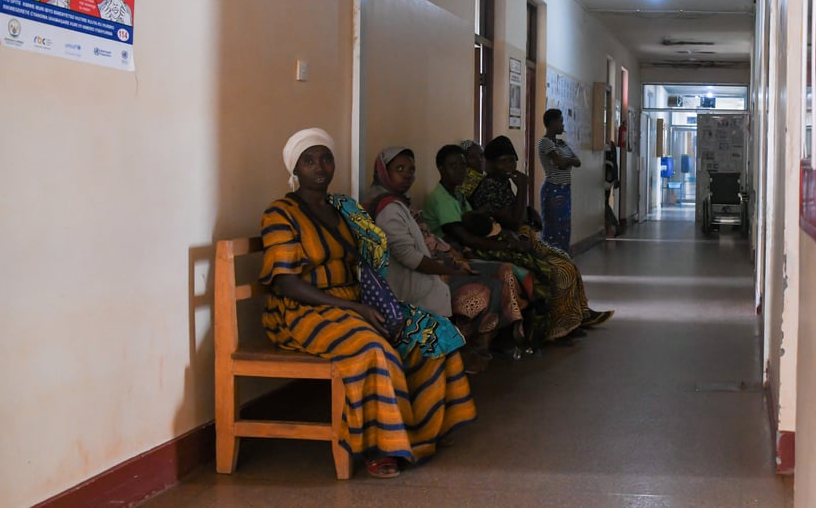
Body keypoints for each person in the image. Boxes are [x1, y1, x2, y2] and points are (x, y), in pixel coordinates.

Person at [259, 128, 476, 478]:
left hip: (353, 301)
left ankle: (423, 428)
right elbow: (285, 283)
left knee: (434, 332)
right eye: (309, 160)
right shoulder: (280, 214)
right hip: (302, 312)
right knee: (375, 349)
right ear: (295, 169)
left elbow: (373, 257)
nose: (320, 167)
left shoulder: (344, 208)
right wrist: (356, 309)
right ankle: (380, 446)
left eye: (326, 158)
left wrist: (368, 302)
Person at [365, 146, 528, 372]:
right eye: (399, 169)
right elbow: (411, 258)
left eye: (411, 170)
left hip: (433, 265)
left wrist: (453, 263)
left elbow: (427, 245)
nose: (407, 175)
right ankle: (471, 347)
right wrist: (452, 269)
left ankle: (486, 344)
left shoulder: (399, 203)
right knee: (490, 285)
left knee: (502, 273)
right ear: (383, 171)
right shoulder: (388, 208)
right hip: (406, 284)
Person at [469, 136, 614, 340]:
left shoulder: (501, 183)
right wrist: (523, 189)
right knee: (559, 268)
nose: (510, 165)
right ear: (490, 164)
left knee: (566, 261)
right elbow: (513, 222)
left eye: (512, 160)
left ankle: (579, 314)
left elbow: (517, 215)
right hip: (507, 241)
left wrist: (528, 211)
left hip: (520, 236)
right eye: (504, 161)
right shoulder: (489, 186)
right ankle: (558, 326)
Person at [537, 108, 581, 251]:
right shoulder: (545, 142)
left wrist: (565, 160)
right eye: (560, 122)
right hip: (553, 188)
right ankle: (552, 260)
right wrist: (567, 160)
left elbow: (577, 161)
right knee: (553, 227)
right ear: (551, 123)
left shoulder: (561, 143)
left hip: (565, 188)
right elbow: (560, 162)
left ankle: (563, 260)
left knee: (564, 227)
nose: (563, 125)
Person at [604, 139, 620, 237]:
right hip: (609, 180)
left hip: (606, 180)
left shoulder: (606, 147)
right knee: (605, 204)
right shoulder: (612, 146)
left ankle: (613, 225)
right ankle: (614, 225)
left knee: (604, 205)